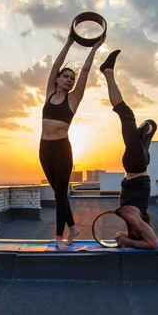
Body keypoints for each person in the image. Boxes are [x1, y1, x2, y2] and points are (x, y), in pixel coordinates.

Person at [40, 29, 105, 250]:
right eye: (66, 76)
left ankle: (60, 236)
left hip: (62, 150)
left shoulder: (73, 99)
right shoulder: (49, 92)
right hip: (44, 149)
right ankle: (73, 227)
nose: (69, 80)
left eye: (72, 79)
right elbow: (55, 65)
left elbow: (86, 71)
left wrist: (95, 47)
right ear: (57, 79)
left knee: (60, 194)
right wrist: (68, 43)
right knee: (58, 193)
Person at [99, 49, 158, 250]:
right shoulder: (134, 219)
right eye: (132, 233)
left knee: (142, 123)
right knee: (126, 115)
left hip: (138, 167)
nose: (126, 232)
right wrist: (127, 241)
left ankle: (144, 133)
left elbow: (145, 238)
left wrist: (126, 239)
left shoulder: (135, 215)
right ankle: (107, 72)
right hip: (137, 164)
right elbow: (154, 245)